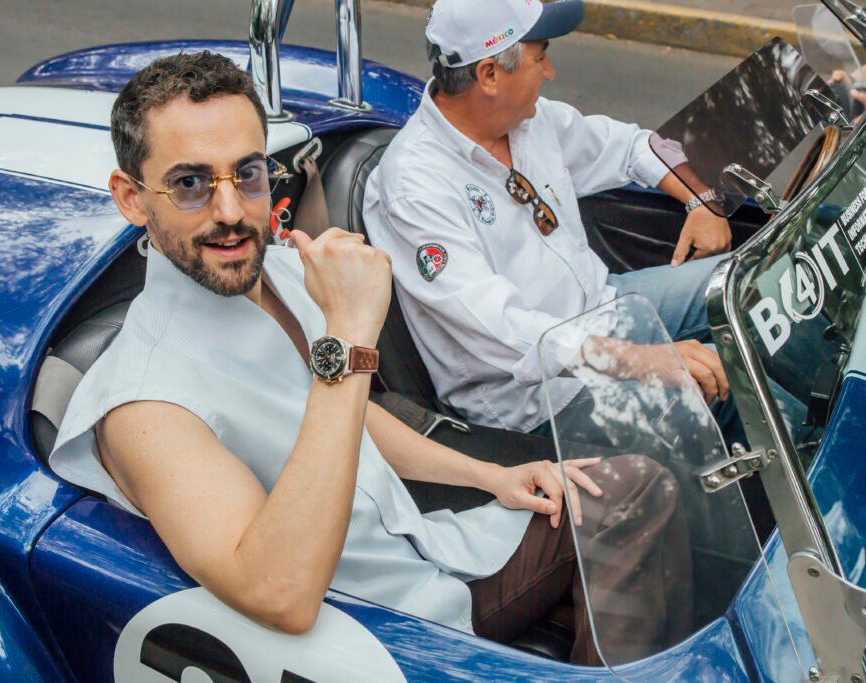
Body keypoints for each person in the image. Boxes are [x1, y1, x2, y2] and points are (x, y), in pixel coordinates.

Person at [49, 50, 691, 666]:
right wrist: (352, 337)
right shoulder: (143, 403)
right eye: (190, 183)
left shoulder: (280, 274)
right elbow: (280, 593)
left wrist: (490, 478)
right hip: (389, 630)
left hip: (426, 553)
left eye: (246, 174)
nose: (230, 212)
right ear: (132, 198)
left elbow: (353, 416)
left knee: (631, 487)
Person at [362, 0, 737, 437]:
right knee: (741, 398)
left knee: (753, 282)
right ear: (489, 75)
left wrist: (700, 199)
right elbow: (500, 331)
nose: (550, 71)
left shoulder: (526, 122)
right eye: (540, 57)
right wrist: (637, 359)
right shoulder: (416, 186)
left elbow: (632, 146)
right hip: (534, 399)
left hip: (603, 308)